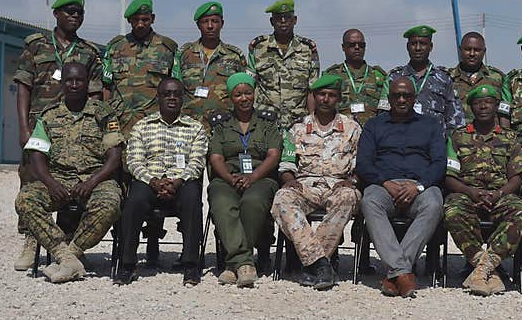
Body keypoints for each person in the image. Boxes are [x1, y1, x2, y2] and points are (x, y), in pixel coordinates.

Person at [12, 0, 104, 271]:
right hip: (40, 127)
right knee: (31, 181)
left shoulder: (88, 52)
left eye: (79, 13)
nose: (74, 16)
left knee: (73, 180)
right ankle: (31, 239)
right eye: (69, 12)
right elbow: (23, 87)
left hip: (76, 129)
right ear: (56, 15)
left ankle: (68, 240)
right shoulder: (36, 46)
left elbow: (96, 94)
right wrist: (24, 126)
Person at [15, 62, 122, 283]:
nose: (74, 84)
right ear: (62, 83)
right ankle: (65, 255)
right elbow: (37, 154)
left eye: (79, 80)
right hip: (59, 178)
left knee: (111, 202)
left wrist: (92, 182)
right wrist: (50, 183)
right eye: (69, 80)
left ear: (87, 83)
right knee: (25, 200)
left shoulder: (103, 114)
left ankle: (70, 255)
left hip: (95, 178)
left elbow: (114, 158)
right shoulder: (49, 115)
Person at [113, 77, 208, 287]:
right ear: (158, 97)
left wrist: (177, 182)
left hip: (181, 182)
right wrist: (153, 181)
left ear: (183, 99)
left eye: (176, 94)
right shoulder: (142, 126)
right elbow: (134, 161)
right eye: (167, 94)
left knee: (193, 198)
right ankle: (127, 264)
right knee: (133, 201)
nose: (172, 98)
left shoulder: (196, 128)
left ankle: (191, 265)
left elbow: (197, 161)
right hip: (149, 181)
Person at [357, 77, 447, 298]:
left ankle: (395, 273)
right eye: (396, 95)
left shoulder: (430, 125)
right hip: (384, 186)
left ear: (414, 98)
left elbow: (439, 163)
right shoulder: (374, 125)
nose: (401, 99)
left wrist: (418, 186)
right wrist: (385, 182)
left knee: (435, 203)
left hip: (419, 187)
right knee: (369, 200)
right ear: (389, 99)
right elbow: (363, 163)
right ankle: (403, 272)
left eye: (406, 95)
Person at [272, 75, 363, 290]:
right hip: (306, 185)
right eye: (321, 94)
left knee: (348, 197)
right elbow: (286, 163)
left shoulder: (353, 129)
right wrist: (289, 180)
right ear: (314, 96)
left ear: (338, 99)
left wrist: (352, 181)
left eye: (331, 95)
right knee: (281, 198)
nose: (325, 99)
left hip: (339, 185)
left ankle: (311, 265)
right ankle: (321, 264)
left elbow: (362, 164)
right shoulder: (298, 128)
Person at [444, 85, 522, 296]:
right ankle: (491, 269)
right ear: (471, 107)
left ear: (497, 106)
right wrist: (470, 192)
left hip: (500, 195)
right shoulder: (458, 136)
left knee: (520, 210)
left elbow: (516, 176)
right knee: (452, 211)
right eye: (478, 103)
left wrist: (499, 194)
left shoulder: (510, 138)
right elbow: (450, 176)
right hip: (467, 194)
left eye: (488, 102)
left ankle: (481, 270)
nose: (483, 106)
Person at [207, 73, 282, 288]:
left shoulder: (267, 123)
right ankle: (245, 263)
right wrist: (230, 179)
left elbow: (273, 155)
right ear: (231, 97)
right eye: (238, 94)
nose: (244, 98)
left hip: (261, 178)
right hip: (227, 178)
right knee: (222, 203)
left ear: (254, 94)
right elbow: (216, 157)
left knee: (252, 202)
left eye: (248, 93)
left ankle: (233, 265)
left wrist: (253, 177)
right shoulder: (221, 125)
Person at [103, 0, 178, 137]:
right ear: (129, 21)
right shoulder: (115, 47)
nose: (140, 24)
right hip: (120, 122)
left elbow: (176, 88)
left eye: (145, 19)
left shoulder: (167, 48)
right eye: (135, 20)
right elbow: (106, 86)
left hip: (155, 124)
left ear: (153, 18)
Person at [247, 0, 319, 129]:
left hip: (298, 123)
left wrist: (313, 122)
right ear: (272, 22)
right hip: (264, 122)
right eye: (279, 18)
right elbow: (249, 85)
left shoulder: (308, 49)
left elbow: (312, 90)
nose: (283, 21)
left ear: (295, 20)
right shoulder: (258, 48)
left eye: (288, 17)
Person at [173, 1, 246, 128]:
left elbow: (244, 93)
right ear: (198, 25)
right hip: (188, 127)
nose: (210, 26)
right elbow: (175, 89)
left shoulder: (235, 56)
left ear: (222, 23)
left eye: (214, 21)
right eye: (205, 22)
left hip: (224, 127)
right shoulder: (184, 54)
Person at [382, 26, 465, 137]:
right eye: (413, 43)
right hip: (401, 145)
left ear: (430, 47)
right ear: (407, 47)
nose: (418, 48)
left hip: (435, 146)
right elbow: (383, 117)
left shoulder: (444, 78)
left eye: (423, 44)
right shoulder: (394, 78)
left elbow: (456, 121)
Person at [321, 29, 387, 127]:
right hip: (340, 133)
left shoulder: (378, 76)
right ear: (343, 47)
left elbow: (385, 111)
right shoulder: (331, 75)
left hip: (371, 133)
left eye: (361, 45)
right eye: (352, 45)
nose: (357, 48)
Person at [448, 32, 505, 125]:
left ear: (484, 51)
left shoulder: (498, 78)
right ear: (460, 50)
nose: (472, 53)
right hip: (457, 137)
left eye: (477, 50)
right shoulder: (447, 78)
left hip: (489, 137)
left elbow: (504, 113)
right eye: (467, 49)